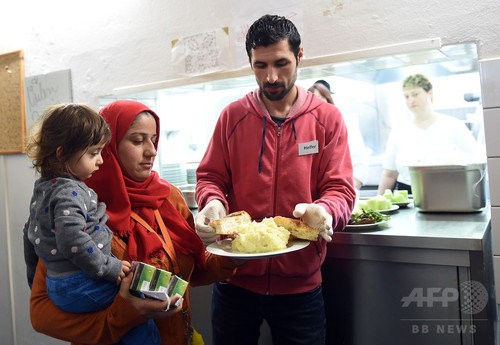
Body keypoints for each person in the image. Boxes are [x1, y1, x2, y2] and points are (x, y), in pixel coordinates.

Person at [194, 14, 356, 345]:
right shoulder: (233, 117)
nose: (270, 76)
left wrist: (324, 211)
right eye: (260, 65)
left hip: (301, 285)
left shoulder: (326, 119)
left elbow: (340, 188)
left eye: (281, 63)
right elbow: (211, 176)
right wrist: (211, 202)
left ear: (299, 56)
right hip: (234, 279)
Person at [28, 100, 238, 345]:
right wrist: (126, 314)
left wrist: (233, 253)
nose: (152, 151)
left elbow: (193, 271)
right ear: (108, 147)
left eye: (154, 139)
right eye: (138, 141)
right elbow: (41, 315)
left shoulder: (168, 196)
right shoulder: (77, 205)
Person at [23, 103, 161, 345]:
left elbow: (29, 234)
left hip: (62, 283)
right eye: (138, 140)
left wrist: (33, 273)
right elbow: (72, 240)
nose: (100, 161)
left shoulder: (45, 188)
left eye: (154, 140)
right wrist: (109, 267)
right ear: (62, 154)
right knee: (142, 326)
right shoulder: (70, 193)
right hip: (79, 284)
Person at [377, 73, 485, 194]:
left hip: (447, 193)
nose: (410, 101)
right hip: (408, 197)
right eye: (406, 96)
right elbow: (390, 174)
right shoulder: (399, 131)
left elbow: (476, 164)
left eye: (415, 94)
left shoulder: (453, 125)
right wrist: (377, 204)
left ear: (429, 93)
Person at [308, 80, 370, 190]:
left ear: (329, 101)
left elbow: (360, 166)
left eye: (319, 99)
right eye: (312, 100)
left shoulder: (346, 125)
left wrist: (342, 194)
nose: (316, 105)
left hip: (341, 197)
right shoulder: (305, 132)